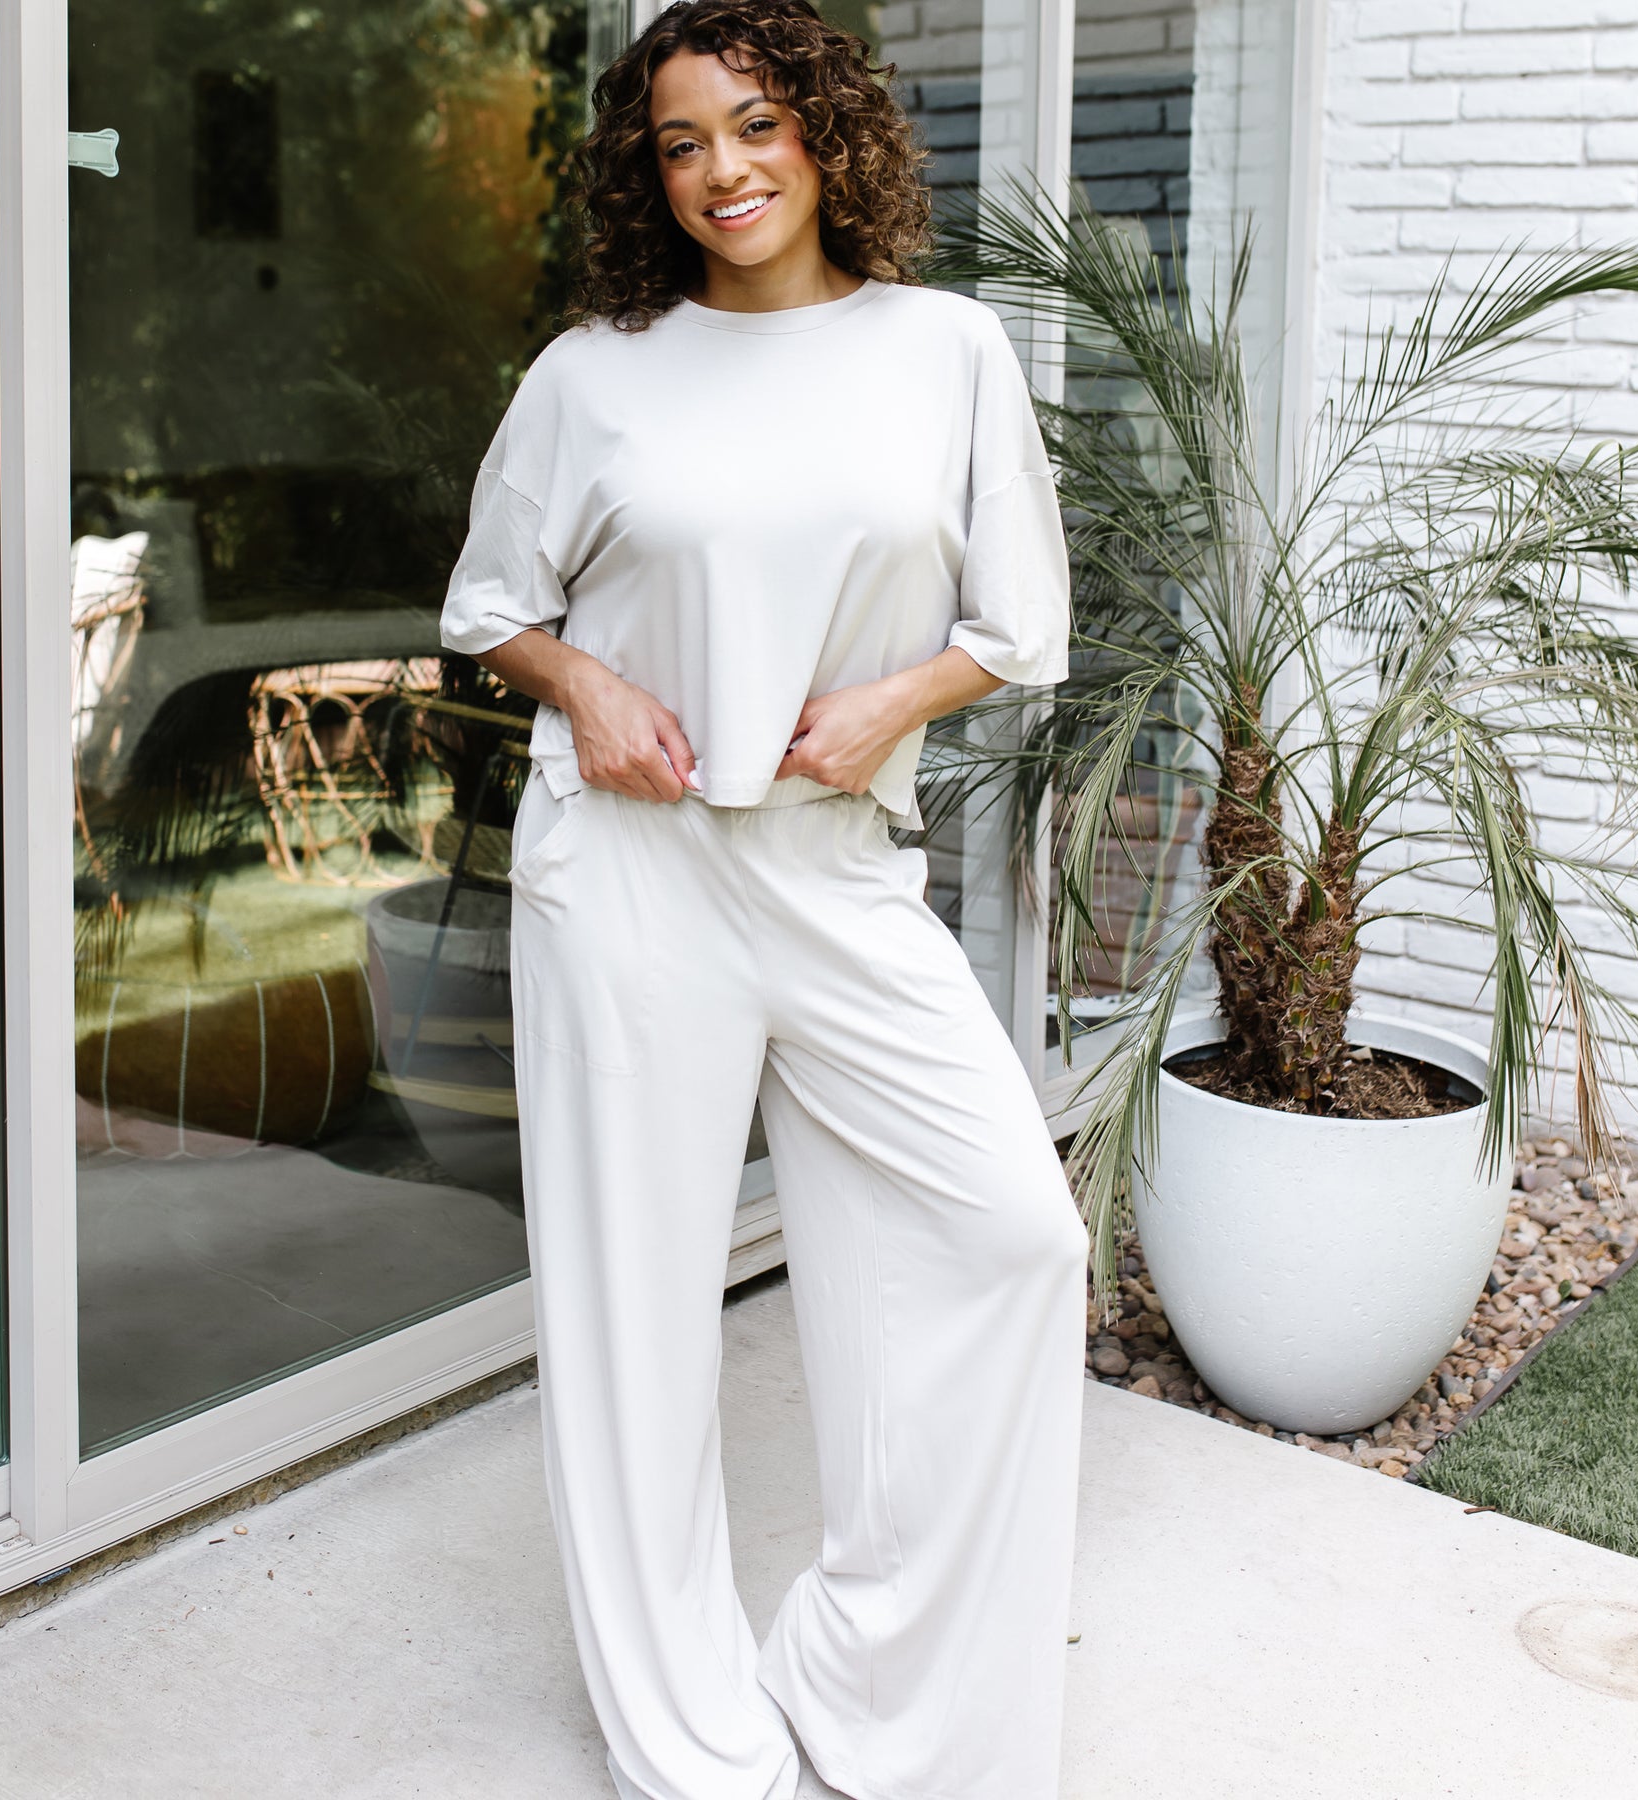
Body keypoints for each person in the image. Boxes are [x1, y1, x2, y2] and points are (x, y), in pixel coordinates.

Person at [439, 4, 1088, 1795]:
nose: (721, 170)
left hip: (834, 866)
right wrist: (586, 684)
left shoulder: (944, 349)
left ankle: (869, 1673)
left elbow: (1021, 620)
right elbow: (489, 602)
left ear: (826, 132)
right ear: (645, 173)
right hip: (628, 872)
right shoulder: (596, 372)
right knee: (636, 1312)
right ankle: (689, 1738)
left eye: (754, 125)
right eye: (680, 143)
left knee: (1013, 1237)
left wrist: (891, 703)